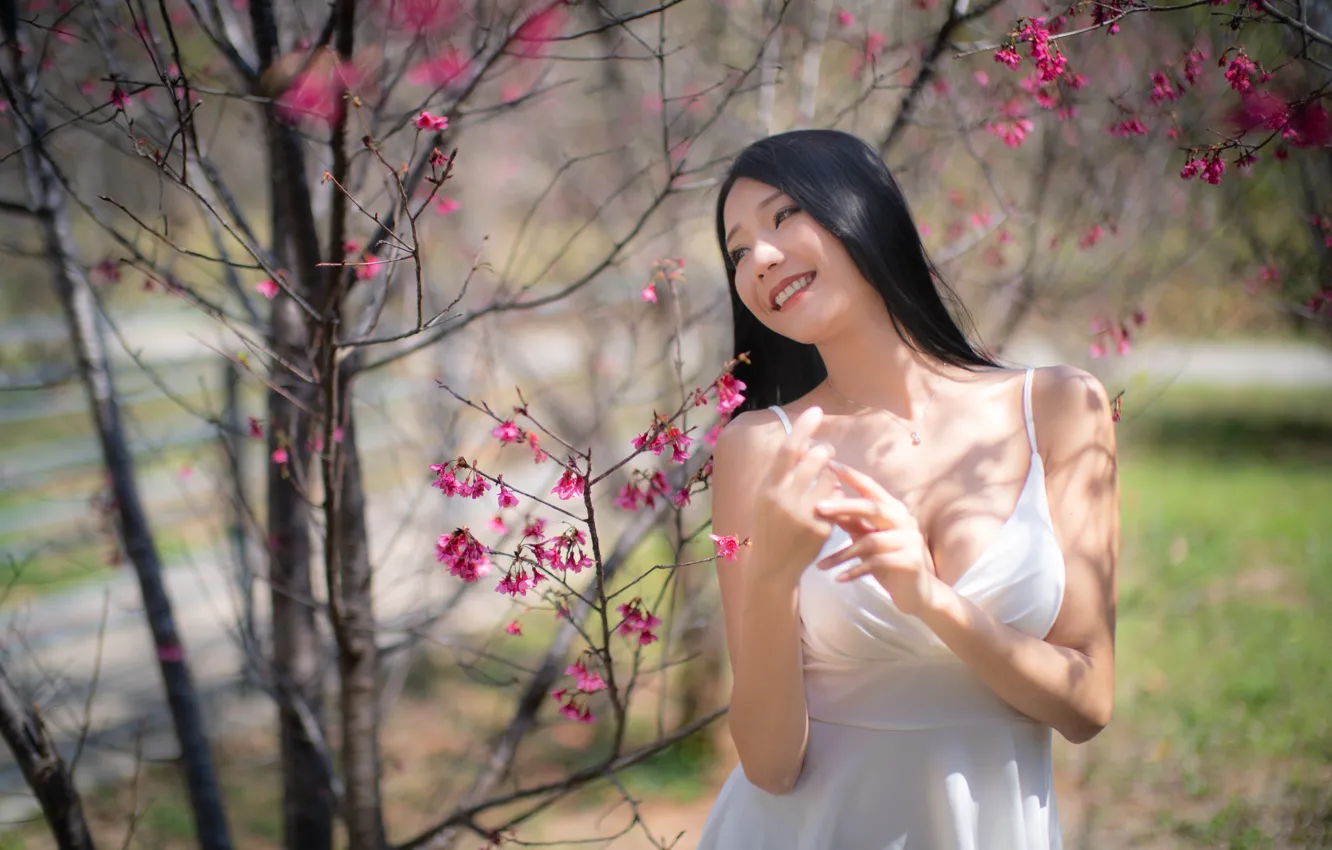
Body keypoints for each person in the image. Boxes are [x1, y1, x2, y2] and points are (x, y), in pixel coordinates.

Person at [696, 129, 1119, 850]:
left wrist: (929, 600)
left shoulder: (1057, 407)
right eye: (737, 251)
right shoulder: (758, 448)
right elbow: (769, 764)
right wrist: (771, 576)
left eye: (781, 217)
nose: (759, 258)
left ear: (864, 211)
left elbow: (1087, 706)